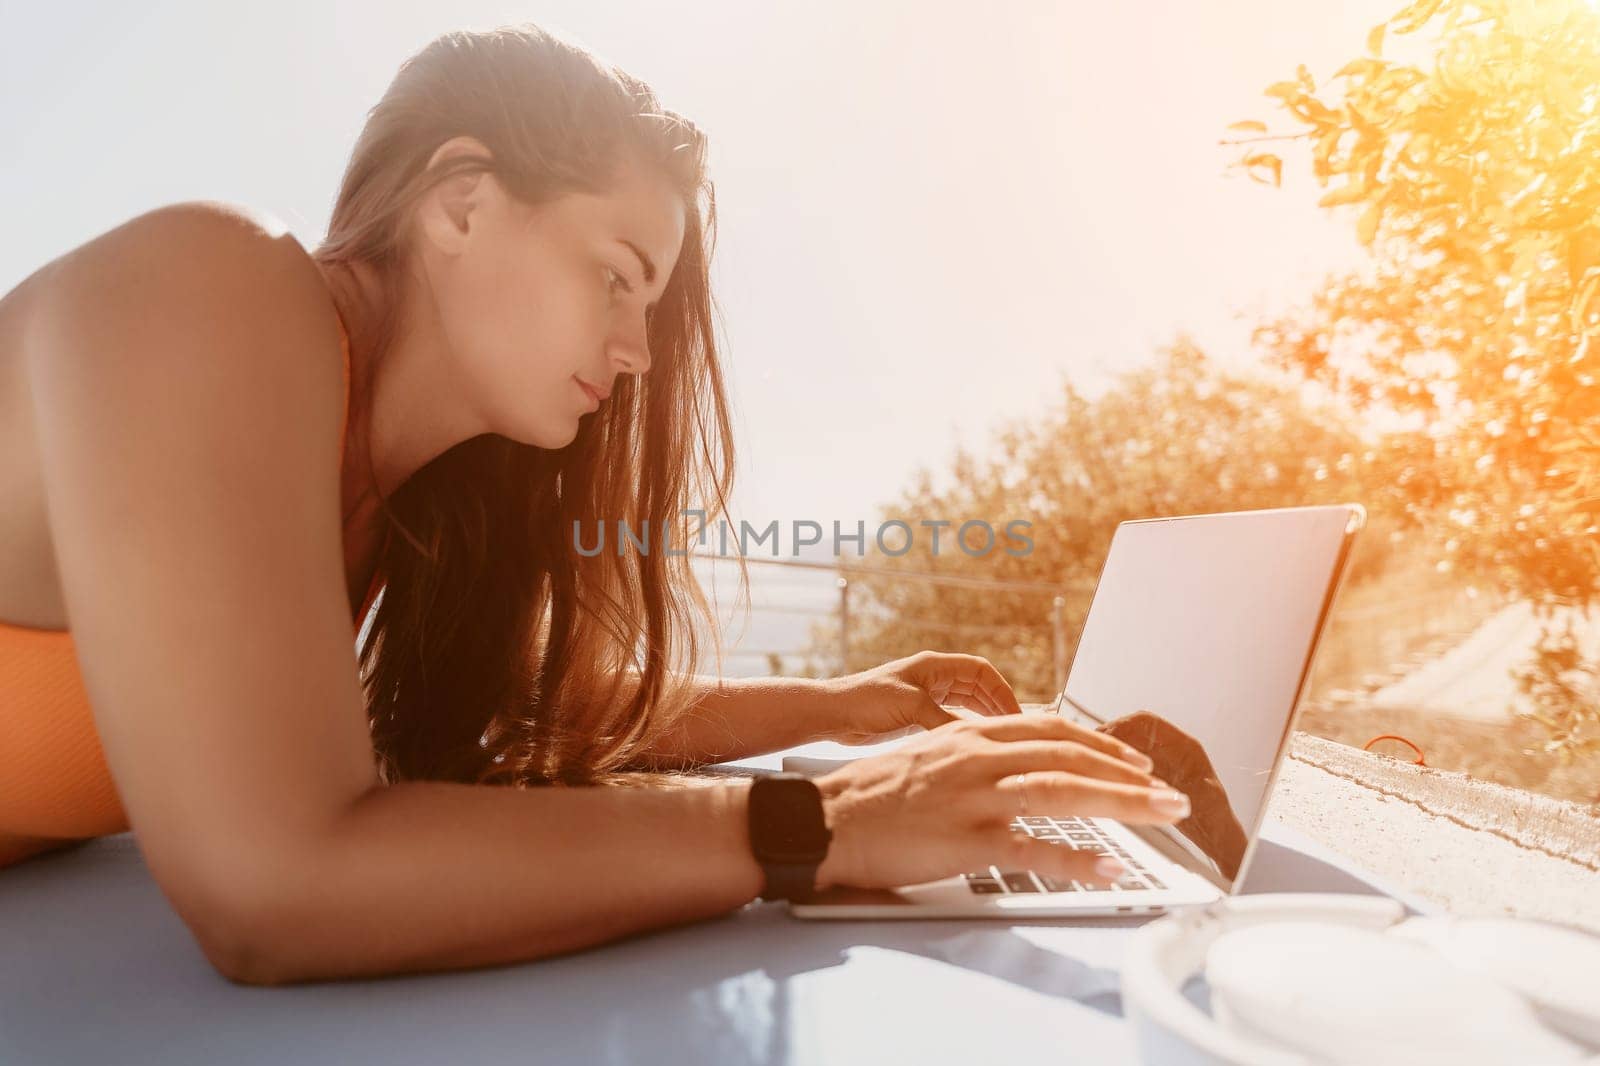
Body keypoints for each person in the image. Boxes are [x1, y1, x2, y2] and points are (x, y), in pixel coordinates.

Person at [0, 24, 1191, 985]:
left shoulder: (396, 491)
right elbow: (275, 885)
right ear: (460, 202)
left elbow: (547, 699)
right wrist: (817, 821)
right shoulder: (206, 289)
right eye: (615, 278)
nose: (634, 352)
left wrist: (848, 705)